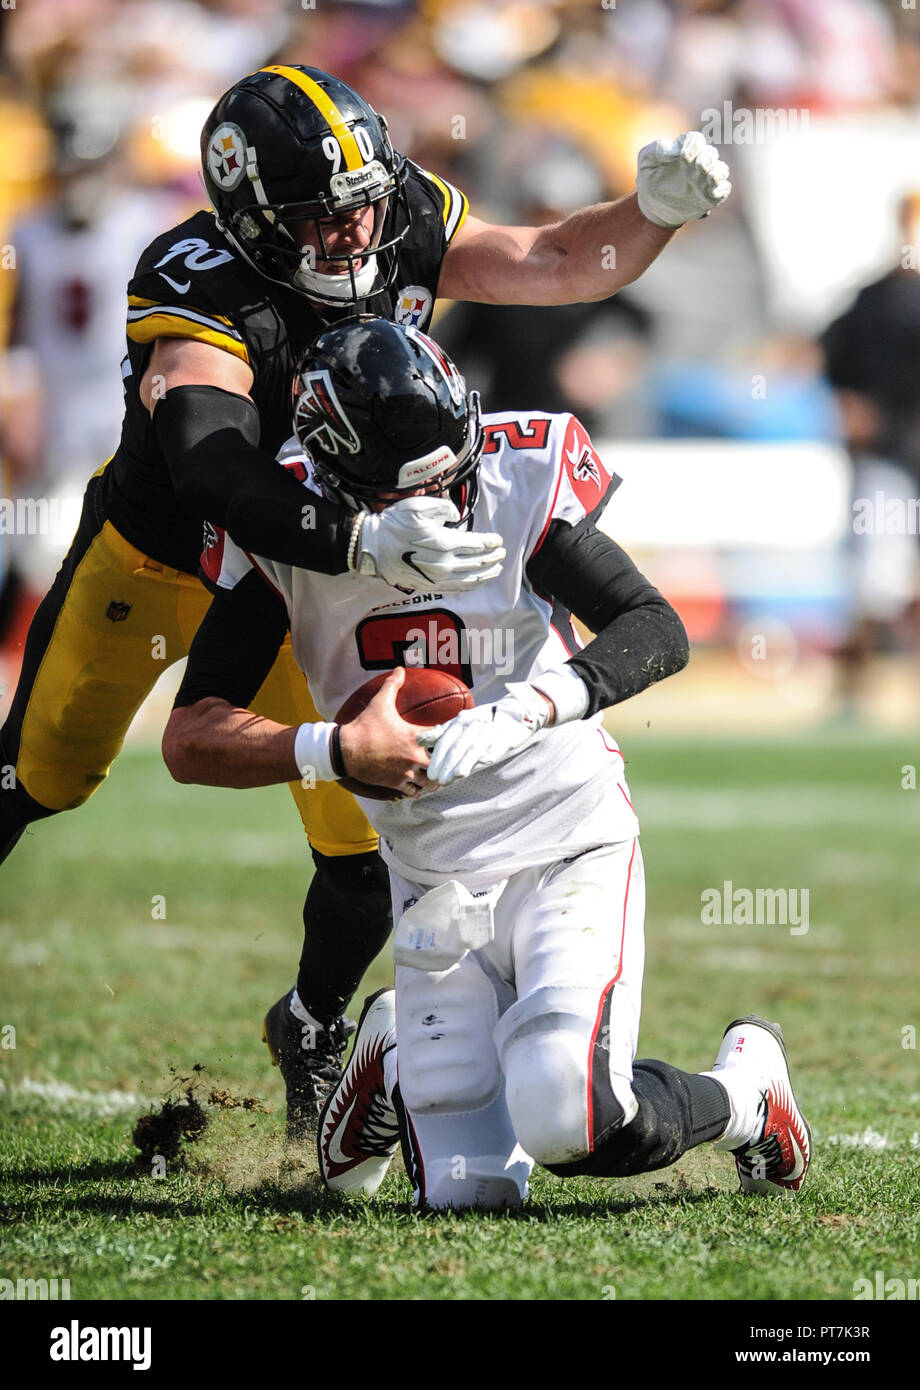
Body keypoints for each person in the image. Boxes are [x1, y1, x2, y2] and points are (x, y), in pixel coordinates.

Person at [0, 63, 731, 1135]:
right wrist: (354, 532)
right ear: (252, 218)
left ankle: (316, 1023)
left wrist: (649, 215)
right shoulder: (198, 277)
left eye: (362, 204)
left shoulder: (397, 210)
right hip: (167, 557)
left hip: (311, 574)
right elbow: (209, 461)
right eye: (317, 216)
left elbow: (557, 259)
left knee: (359, 830)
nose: (352, 233)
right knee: (38, 774)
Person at [162, 318, 810, 1209]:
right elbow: (189, 738)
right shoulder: (282, 529)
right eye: (415, 494)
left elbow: (655, 628)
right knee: (470, 1195)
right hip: (429, 880)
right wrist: (333, 751)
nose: (454, 498)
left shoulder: (514, 471)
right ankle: (391, 1058)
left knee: (567, 1122)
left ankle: (748, 1094)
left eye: (459, 471)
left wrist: (537, 705)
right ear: (343, 487)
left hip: (565, 842)